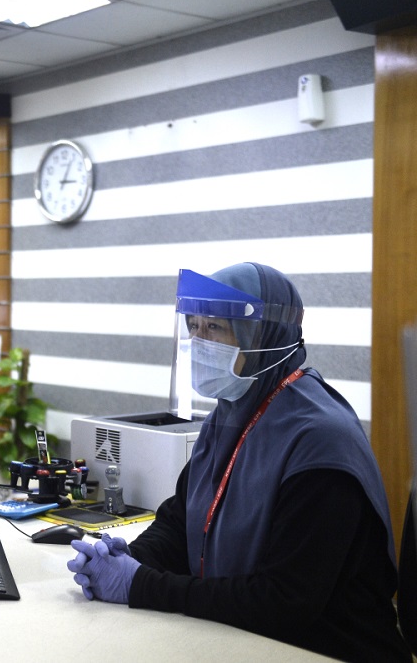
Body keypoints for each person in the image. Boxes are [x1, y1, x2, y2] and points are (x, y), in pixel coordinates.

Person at [66, 263, 410, 661]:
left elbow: (283, 601)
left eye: (214, 328)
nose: (198, 341)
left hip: (328, 650)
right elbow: (181, 521)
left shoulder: (320, 442)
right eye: (193, 326)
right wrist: (129, 558)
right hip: (246, 642)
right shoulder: (230, 414)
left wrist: (140, 585)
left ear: (263, 336)